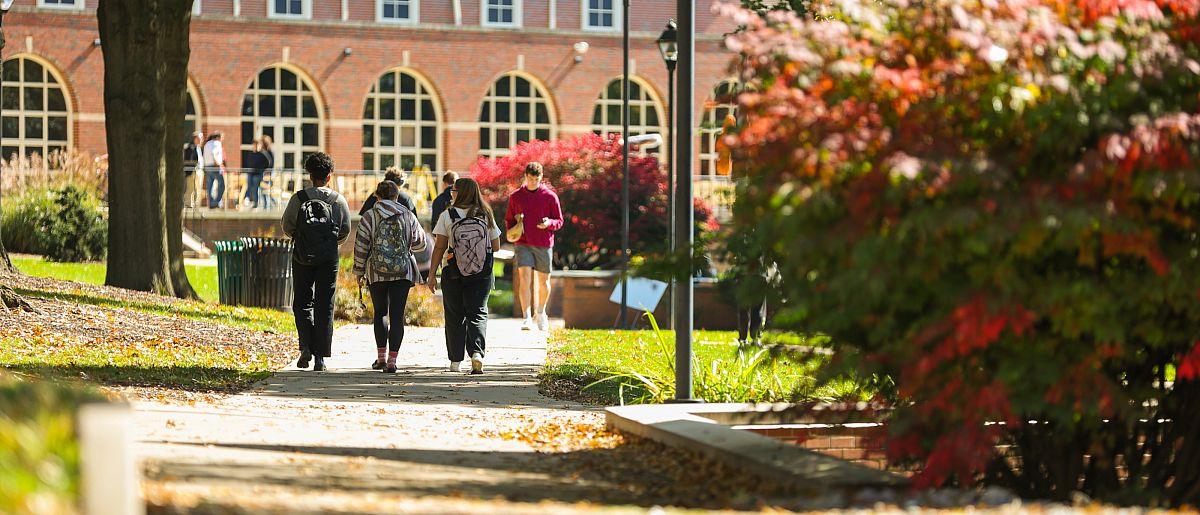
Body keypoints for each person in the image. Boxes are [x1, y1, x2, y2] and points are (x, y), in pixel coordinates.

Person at [282, 152, 352, 372]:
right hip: (328, 257)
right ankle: (320, 357)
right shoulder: (338, 201)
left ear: (310, 175)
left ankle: (305, 347)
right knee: (325, 303)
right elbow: (345, 230)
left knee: (302, 301)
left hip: (303, 255)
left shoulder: (298, 198)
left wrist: (303, 239)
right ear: (329, 176)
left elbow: (287, 226)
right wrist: (329, 243)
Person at [427, 178, 501, 375]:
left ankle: (455, 361)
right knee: (477, 312)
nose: (451, 193)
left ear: (460, 193)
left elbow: (440, 246)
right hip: (481, 272)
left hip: (453, 271)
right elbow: (496, 246)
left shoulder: (447, 215)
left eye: (454, 190)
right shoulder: (485, 214)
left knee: (454, 315)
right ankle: (477, 353)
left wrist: (432, 274)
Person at [354, 181, 428, 373]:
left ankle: (380, 358)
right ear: (397, 196)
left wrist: (359, 271)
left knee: (380, 313)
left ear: (377, 197)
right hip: (402, 271)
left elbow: (361, 246)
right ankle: (392, 361)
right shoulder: (407, 215)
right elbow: (421, 244)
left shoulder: (369, 216)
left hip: (376, 271)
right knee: (397, 314)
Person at [505, 162, 563, 331]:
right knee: (524, 278)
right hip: (522, 243)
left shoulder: (550, 196)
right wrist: (511, 231)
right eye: (530, 179)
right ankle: (526, 317)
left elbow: (559, 221)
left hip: (544, 243)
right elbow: (509, 220)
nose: (533, 182)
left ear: (541, 178)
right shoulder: (516, 197)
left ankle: (541, 312)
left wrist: (549, 223)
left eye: (536, 179)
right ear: (525, 176)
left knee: (544, 282)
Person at [243, 136, 272, 210]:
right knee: (250, 187)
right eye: (254, 145)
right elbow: (247, 162)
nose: (255, 146)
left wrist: (261, 169)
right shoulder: (251, 154)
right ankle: (249, 200)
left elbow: (268, 163)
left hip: (258, 174)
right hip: (251, 173)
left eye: (257, 145)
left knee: (256, 188)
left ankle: (256, 203)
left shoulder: (263, 154)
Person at [202, 131, 227, 208]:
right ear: (218, 137)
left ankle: (211, 202)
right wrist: (219, 164)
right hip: (214, 166)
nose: (222, 140)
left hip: (207, 166)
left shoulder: (207, 144)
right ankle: (216, 202)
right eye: (222, 138)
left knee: (210, 186)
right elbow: (215, 153)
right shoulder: (217, 143)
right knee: (222, 184)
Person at [182, 131, 203, 208]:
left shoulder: (198, 147)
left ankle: (194, 203)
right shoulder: (190, 147)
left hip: (198, 171)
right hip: (192, 171)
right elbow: (188, 160)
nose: (202, 140)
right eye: (201, 138)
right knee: (190, 188)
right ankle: (188, 203)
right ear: (196, 138)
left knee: (197, 188)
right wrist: (195, 165)